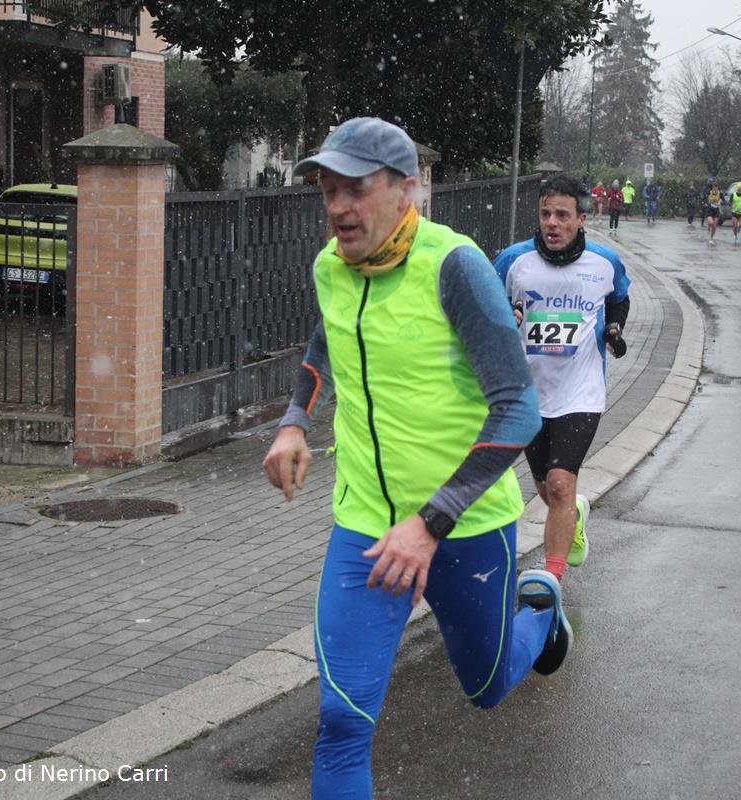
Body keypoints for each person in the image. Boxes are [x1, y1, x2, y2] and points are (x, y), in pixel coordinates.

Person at [263, 117, 570, 800]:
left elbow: (518, 410)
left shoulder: (453, 266)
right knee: (342, 719)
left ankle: (542, 611)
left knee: (488, 687)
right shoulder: (331, 267)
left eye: (356, 189)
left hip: (464, 525)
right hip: (367, 526)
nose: (339, 207)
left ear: (406, 190)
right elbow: (322, 345)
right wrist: (292, 424)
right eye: (328, 190)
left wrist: (431, 522)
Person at [495, 175, 630, 585]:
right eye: (545, 214)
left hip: (581, 391)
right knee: (547, 489)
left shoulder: (604, 262)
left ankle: (550, 581)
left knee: (559, 483)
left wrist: (614, 330)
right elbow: (490, 306)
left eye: (562, 215)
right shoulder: (513, 261)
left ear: (581, 219)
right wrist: (507, 317)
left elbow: (619, 299)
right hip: (529, 393)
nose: (552, 223)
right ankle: (576, 513)